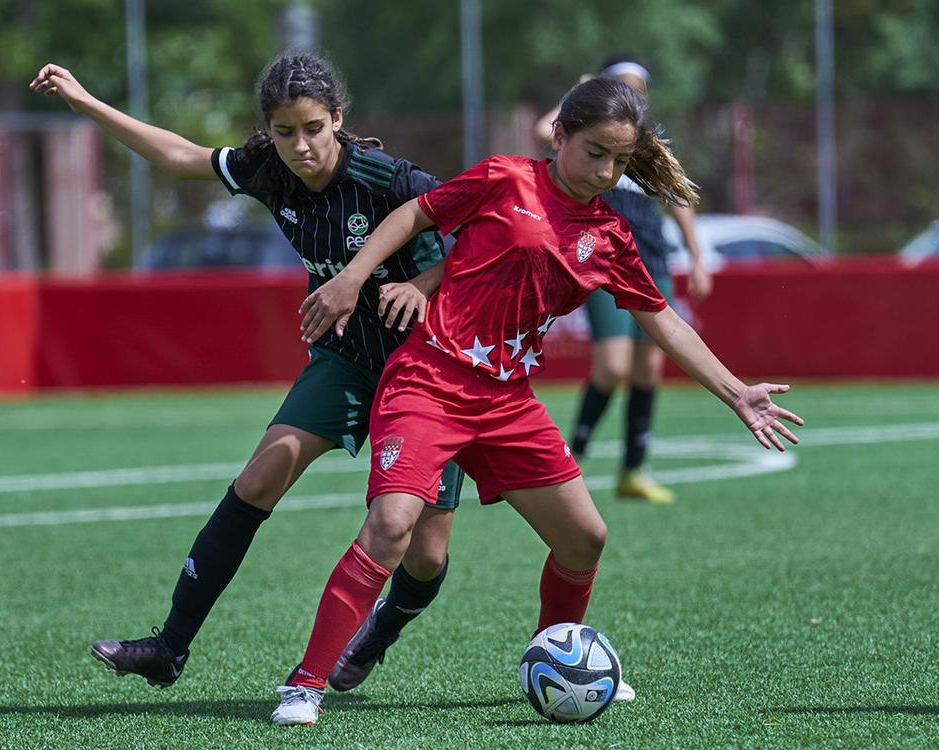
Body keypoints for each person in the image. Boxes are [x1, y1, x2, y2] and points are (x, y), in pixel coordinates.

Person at [270, 76, 803, 726]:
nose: (605, 171)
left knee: (585, 538)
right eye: (595, 152)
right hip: (429, 381)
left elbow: (663, 321)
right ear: (560, 137)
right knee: (391, 528)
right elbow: (417, 213)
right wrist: (355, 277)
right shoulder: (504, 177)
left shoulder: (608, 233)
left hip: (507, 403)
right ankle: (305, 685)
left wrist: (735, 393)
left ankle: (558, 656)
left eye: (620, 160)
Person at [29, 53, 465, 688]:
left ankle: (380, 631)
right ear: (268, 130)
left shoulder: (389, 178)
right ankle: (168, 648)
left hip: (424, 365)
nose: (300, 145)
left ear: (337, 120)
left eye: (314, 128)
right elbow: (179, 155)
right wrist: (86, 102)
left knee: (424, 555)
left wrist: (424, 283)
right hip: (345, 360)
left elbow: (482, 237)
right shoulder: (268, 169)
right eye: (284, 132)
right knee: (260, 476)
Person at [534, 54, 712, 503]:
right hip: (597, 255)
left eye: (639, 87)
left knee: (649, 368)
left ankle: (633, 470)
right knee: (612, 366)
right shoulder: (594, 138)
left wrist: (696, 256)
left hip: (649, 257)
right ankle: (572, 454)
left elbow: (678, 197)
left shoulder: (645, 145)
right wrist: (579, 90)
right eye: (621, 84)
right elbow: (544, 132)